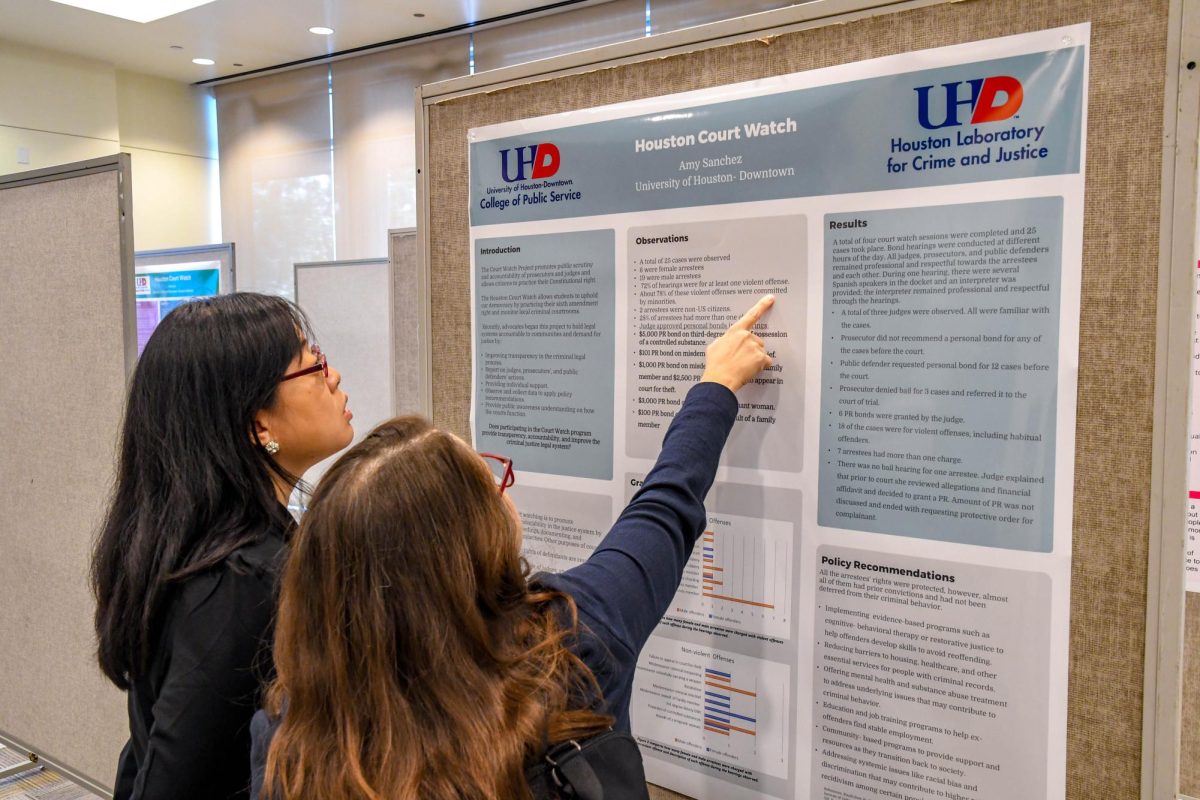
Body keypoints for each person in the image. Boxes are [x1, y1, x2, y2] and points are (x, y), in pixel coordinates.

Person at [251, 294, 776, 800]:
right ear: (472, 541)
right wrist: (716, 386)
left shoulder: (291, 733)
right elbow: (663, 512)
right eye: (488, 483)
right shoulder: (568, 643)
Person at [91, 293, 355, 800]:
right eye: (312, 365)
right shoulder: (241, 583)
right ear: (258, 424)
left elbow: (144, 750)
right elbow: (173, 777)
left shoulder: (204, 547)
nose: (333, 375)